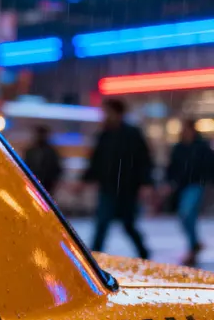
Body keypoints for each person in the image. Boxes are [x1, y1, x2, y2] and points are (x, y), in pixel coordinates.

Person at [82, 99, 154, 259]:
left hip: (128, 188)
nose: (105, 116)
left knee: (127, 224)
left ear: (117, 113)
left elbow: (143, 160)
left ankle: (143, 253)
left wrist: (146, 183)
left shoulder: (132, 134)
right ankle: (94, 257)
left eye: (107, 112)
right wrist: (85, 179)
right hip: (108, 187)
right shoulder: (104, 134)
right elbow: (96, 161)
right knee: (102, 223)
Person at [163, 120, 213, 267]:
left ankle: (194, 245)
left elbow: (209, 165)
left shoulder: (201, 146)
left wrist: (206, 180)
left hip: (196, 184)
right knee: (186, 217)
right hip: (182, 186)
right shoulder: (179, 147)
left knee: (186, 212)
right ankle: (194, 244)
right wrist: (170, 181)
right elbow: (172, 166)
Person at [24, 125, 63, 194]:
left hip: (46, 183)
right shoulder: (31, 151)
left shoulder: (51, 151)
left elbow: (56, 168)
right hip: (33, 182)